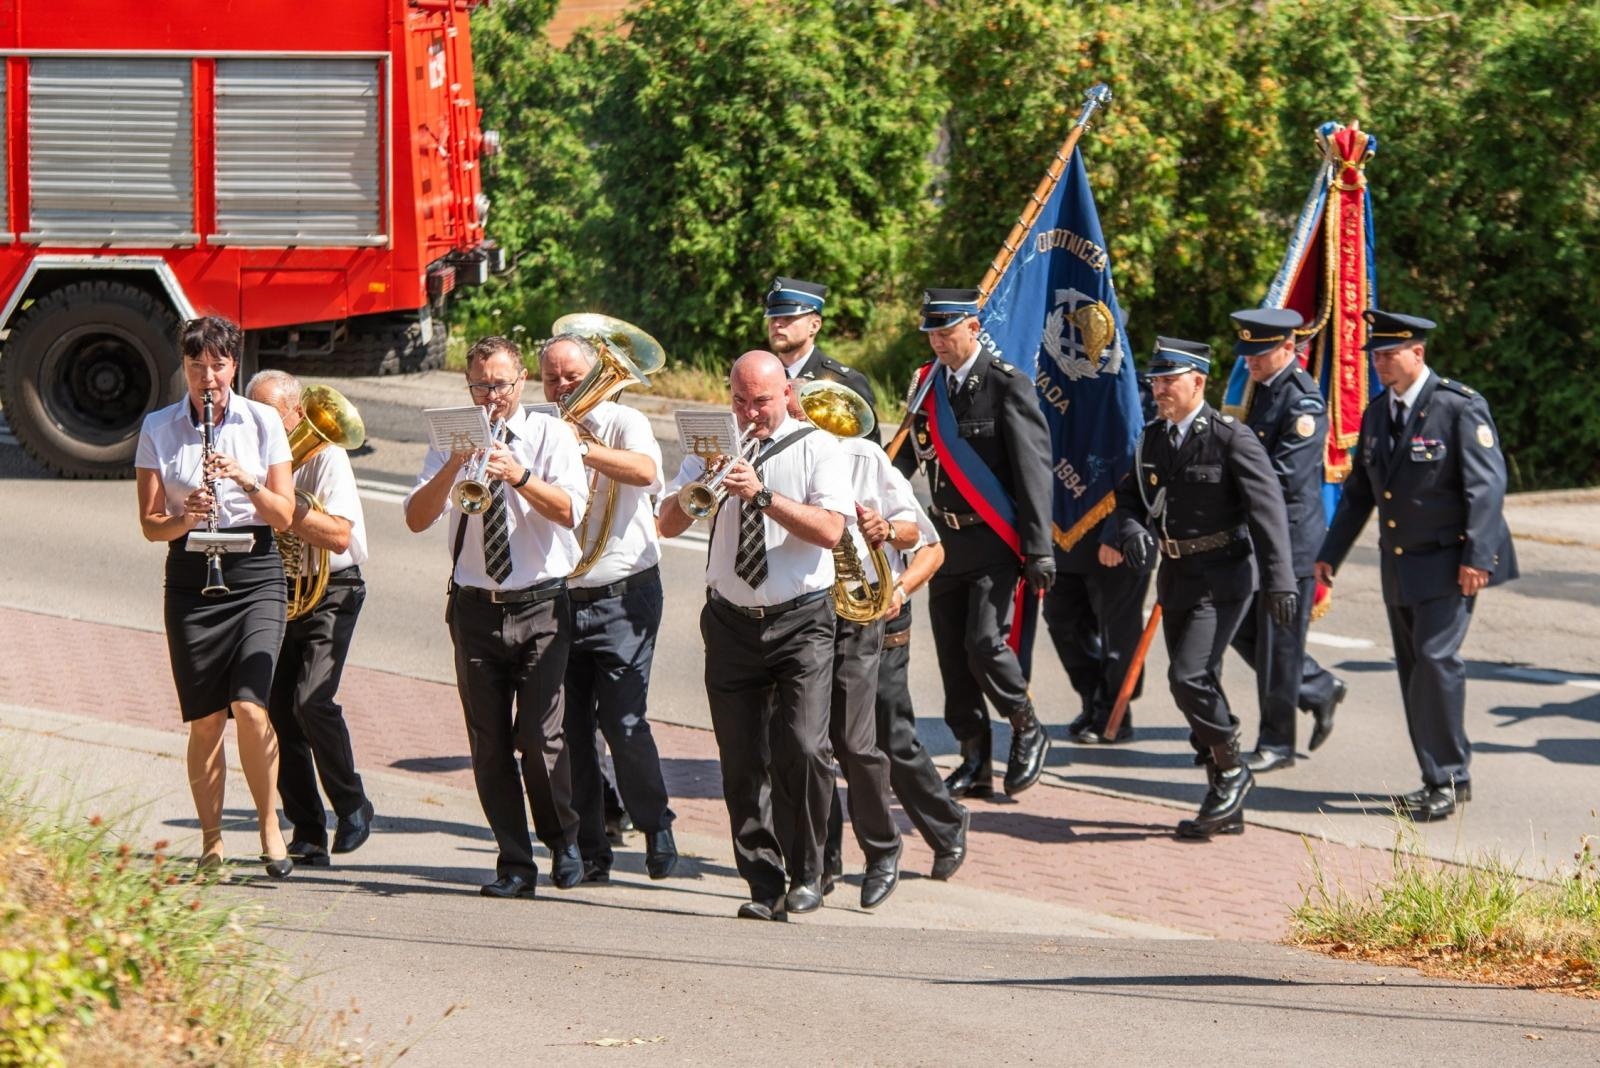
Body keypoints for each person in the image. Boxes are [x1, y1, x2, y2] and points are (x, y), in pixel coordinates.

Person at [659, 350, 853, 921]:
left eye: (761, 401)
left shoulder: (818, 447)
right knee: (741, 759)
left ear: (786, 393)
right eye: (739, 401)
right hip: (730, 621)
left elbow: (832, 530)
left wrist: (761, 495)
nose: (750, 413)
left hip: (801, 621)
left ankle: (810, 871)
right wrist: (701, 481)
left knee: (804, 746)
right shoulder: (712, 447)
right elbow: (667, 524)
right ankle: (763, 882)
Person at [402, 335, 590, 899]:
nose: (491, 396)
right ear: (468, 385)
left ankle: (562, 837)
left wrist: (520, 476)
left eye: (501, 385)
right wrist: (455, 465)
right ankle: (514, 861)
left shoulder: (551, 433)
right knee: (488, 744)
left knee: (538, 737)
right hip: (475, 607)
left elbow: (571, 511)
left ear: (521, 382)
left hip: (540, 604)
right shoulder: (452, 436)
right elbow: (415, 518)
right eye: (481, 385)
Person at [1316, 310, 1516, 822]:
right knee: (1413, 671)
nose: (1379, 363)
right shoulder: (1379, 413)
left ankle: (1451, 776)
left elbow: (1486, 487)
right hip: (1401, 566)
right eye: (1375, 356)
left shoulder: (1457, 407)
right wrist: (1327, 556)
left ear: (1417, 353)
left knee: (1434, 661)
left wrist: (1478, 557)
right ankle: (1436, 777)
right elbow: (1360, 495)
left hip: (1453, 562)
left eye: (1388, 354)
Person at [1099, 337, 1297, 839]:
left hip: (1224, 576)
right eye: (1155, 381)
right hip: (1176, 576)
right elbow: (1126, 501)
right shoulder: (1152, 439)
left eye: (1169, 380)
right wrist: (1133, 531)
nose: (1159, 389)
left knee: (1188, 677)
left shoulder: (1232, 438)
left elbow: (1267, 511)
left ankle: (1232, 770)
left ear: (1198, 382)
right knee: (1199, 681)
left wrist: (1280, 581)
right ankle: (1225, 805)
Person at [134, 315, 297, 877]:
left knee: (251, 707)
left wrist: (246, 480)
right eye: (197, 365)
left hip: (254, 571)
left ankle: (270, 826)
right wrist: (184, 515)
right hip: (191, 576)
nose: (209, 377)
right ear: (184, 366)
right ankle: (211, 840)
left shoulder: (263, 421)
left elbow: (285, 512)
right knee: (205, 720)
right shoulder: (159, 426)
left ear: (235, 365)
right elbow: (151, 526)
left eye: (219, 365)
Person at [894, 288, 1055, 800]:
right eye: (932, 334)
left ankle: (1026, 724)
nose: (938, 342)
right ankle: (975, 757)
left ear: (973, 327)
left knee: (985, 642)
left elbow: (1034, 473)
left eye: (947, 332)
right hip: (945, 541)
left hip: (994, 537)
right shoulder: (925, 386)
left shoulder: (1008, 386)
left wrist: (1039, 548)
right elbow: (907, 460)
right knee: (952, 657)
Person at [539, 333, 678, 883]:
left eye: (571, 376)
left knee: (622, 723)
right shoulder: (543, 424)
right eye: (551, 378)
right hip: (562, 596)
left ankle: (656, 826)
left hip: (624, 594)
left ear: (595, 372)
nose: (562, 387)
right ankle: (591, 850)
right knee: (571, 732)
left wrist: (583, 448)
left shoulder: (623, 420)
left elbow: (646, 473)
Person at [773, 383, 904, 909]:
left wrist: (886, 526)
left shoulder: (864, 454)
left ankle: (882, 849)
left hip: (852, 611)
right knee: (807, 744)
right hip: (802, 610)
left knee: (851, 742)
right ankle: (820, 861)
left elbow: (916, 530)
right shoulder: (778, 451)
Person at [246, 370, 375, 867]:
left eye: (272, 415)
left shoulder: (326, 455)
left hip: (333, 588)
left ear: (297, 414)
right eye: (254, 414)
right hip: (280, 588)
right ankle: (306, 831)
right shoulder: (253, 457)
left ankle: (352, 803)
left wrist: (278, 504)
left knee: (311, 699)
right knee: (276, 711)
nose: (262, 425)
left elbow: (340, 537)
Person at [1226, 309, 1348, 772]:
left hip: (1290, 542)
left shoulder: (1303, 401)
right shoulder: (1266, 390)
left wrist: (1222, 488)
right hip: (1259, 534)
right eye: (1248, 353)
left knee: (1279, 642)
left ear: (1287, 348)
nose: (1250, 363)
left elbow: (1284, 475)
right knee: (1240, 627)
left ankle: (1276, 743)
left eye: (1259, 354)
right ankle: (1315, 686)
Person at [867, 489, 970, 880]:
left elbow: (932, 548)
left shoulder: (871, 464)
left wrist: (900, 588)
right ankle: (820, 862)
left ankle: (947, 824)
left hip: (883, 620)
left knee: (889, 733)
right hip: (821, 619)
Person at [1045, 516, 1154, 746]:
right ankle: (1092, 695)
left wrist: (1117, 533)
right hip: (1064, 534)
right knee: (1061, 619)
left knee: (1118, 635)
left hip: (1118, 536)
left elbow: (1136, 484)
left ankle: (1113, 709)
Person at [763, 276, 881, 444]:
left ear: (814, 326)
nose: (777, 324)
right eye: (773, 318)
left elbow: (864, 454)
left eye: (788, 317)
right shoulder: (761, 376)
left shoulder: (845, 382)